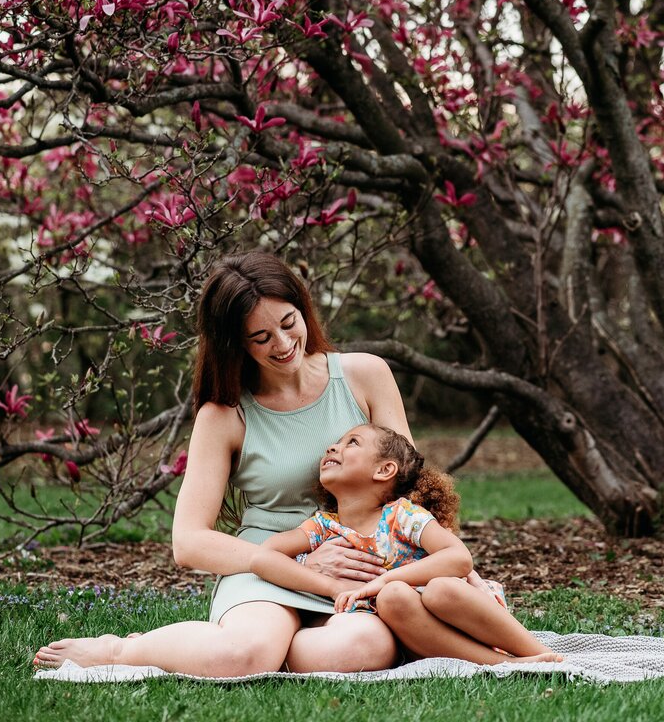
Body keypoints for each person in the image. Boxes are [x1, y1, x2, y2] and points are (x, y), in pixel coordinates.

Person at [34, 251, 410, 676]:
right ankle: (122, 651)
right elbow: (189, 541)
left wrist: (448, 566)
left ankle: (281, 647)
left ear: (303, 309)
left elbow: (414, 487)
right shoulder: (225, 414)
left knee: (362, 648)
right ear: (235, 342)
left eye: (288, 324)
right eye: (261, 337)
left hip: (355, 566)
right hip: (265, 563)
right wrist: (297, 563)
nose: (283, 345)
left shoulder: (365, 375)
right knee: (240, 657)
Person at [252, 423, 562, 665]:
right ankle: (503, 664)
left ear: (384, 470)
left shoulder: (402, 515)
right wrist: (332, 588)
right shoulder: (324, 526)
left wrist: (385, 579)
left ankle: (537, 652)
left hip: (461, 613)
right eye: (337, 442)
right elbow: (264, 559)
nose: (333, 447)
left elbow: (458, 558)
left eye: (353, 443)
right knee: (392, 599)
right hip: (416, 632)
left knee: (435, 588)